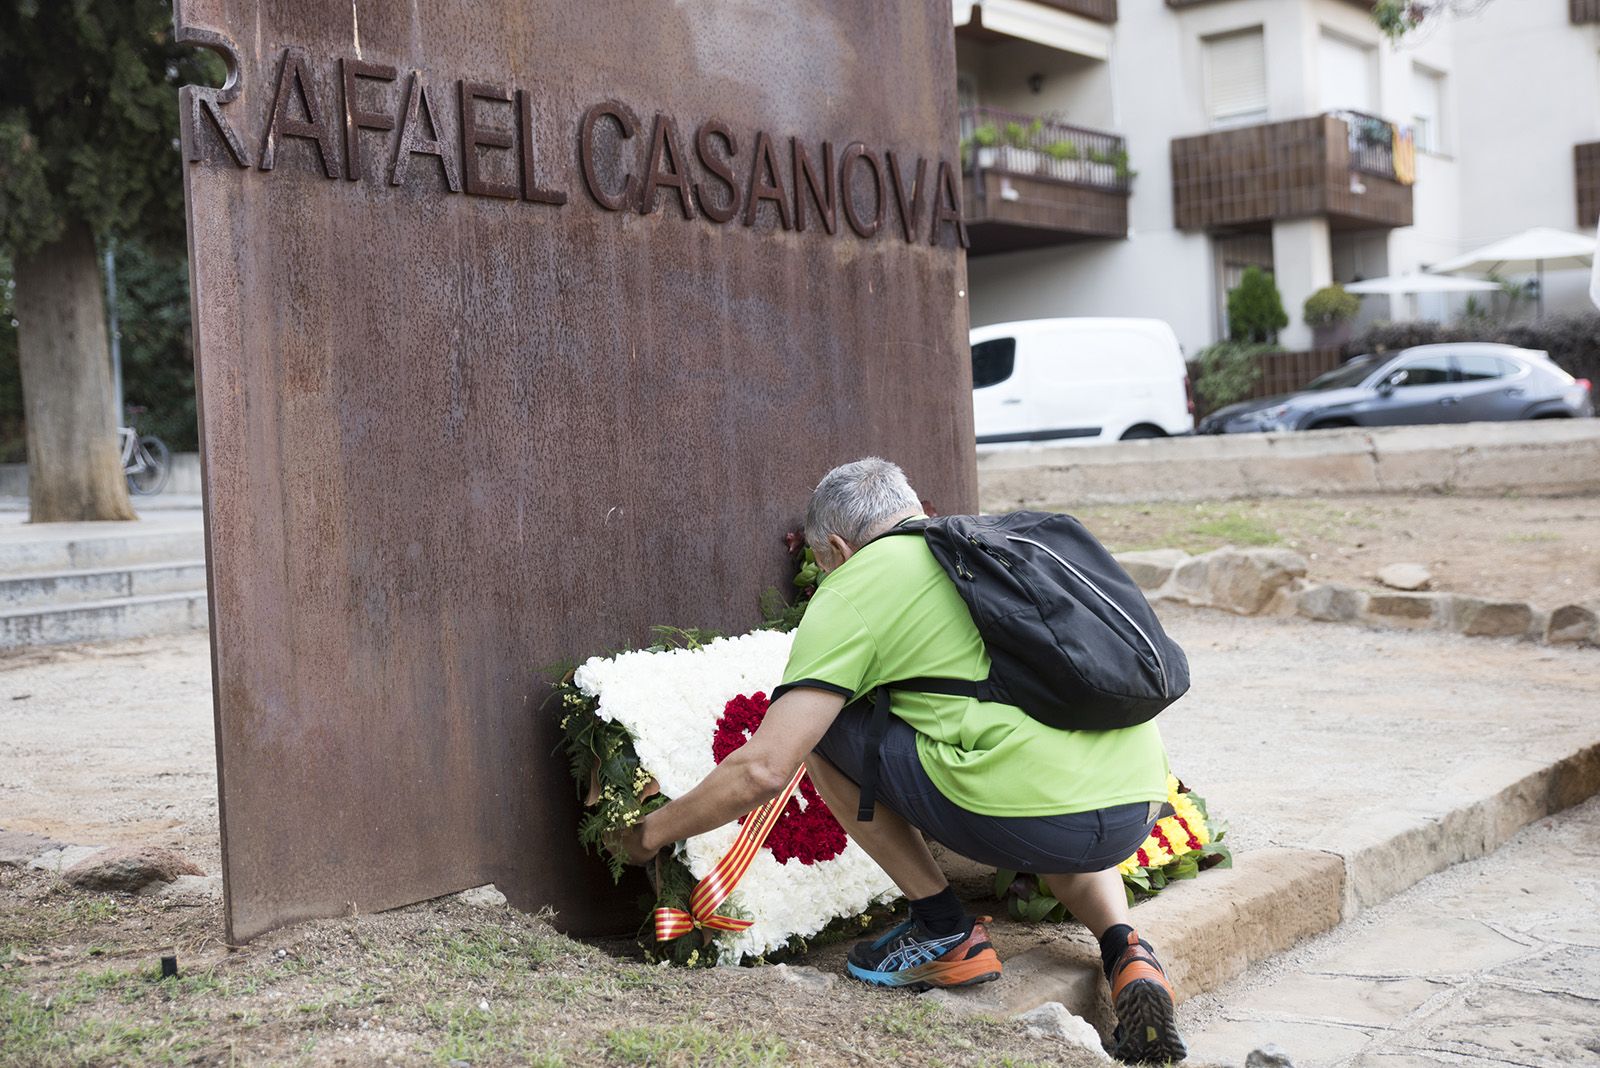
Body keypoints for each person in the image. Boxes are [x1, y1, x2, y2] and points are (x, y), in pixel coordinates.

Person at [618, 457, 1186, 1064]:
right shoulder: (996, 544)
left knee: (825, 733)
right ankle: (1126, 951)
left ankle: (942, 928)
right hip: (1135, 804)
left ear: (836, 548)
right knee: (1050, 778)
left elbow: (764, 768)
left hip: (1035, 814)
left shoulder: (859, 582)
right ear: (912, 508)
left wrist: (648, 835)